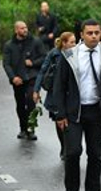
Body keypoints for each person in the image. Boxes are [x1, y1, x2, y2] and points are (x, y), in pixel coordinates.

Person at [52, 19, 101, 191]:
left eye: (97, 33)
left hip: (96, 112)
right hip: (74, 112)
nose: (94, 36)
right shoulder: (70, 56)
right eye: (90, 33)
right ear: (81, 35)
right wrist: (60, 114)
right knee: (72, 153)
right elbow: (59, 86)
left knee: (95, 155)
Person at [33, 31, 77, 159]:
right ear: (64, 43)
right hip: (55, 94)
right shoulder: (53, 54)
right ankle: (64, 146)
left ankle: (70, 148)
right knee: (59, 122)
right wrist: (36, 90)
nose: (74, 45)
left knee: (71, 122)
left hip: (72, 94)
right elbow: (42, 71)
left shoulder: (78, 54)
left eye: (75, 42)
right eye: (72, 42)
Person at [3, 21, 47, 140]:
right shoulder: (9, 45)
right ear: (16, 30)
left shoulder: (35, 41)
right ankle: (23, 129)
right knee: (21, 105)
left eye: (26, 28)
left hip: (32, 77)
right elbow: (6, 64)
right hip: (18, 79)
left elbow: (44, 57)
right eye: (22, 28)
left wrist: (33, 63)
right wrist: (13, 78)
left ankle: (31, 129)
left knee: (31, 102)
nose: (25, 30)